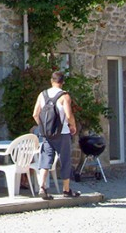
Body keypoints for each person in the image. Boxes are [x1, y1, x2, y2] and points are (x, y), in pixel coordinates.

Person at [32, 70, 81, 199]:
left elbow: (35, 114)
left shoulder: (42, 95)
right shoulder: (64, 96)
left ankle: (42, 187)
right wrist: (72, 126)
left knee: (45, 158)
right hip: (62, 132)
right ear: (62, 82)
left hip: (46, 134)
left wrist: (43, 127)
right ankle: (66, 190)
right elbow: (69, 115)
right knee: (65, 160)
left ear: (51, 81)